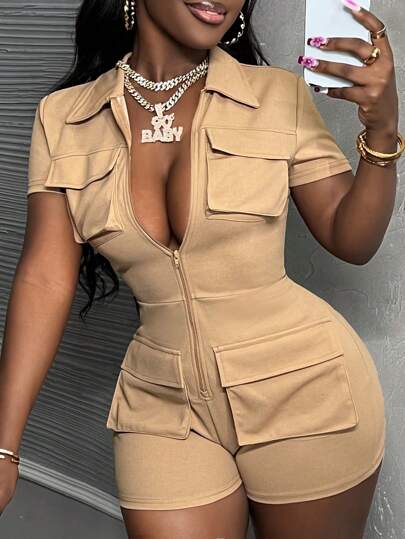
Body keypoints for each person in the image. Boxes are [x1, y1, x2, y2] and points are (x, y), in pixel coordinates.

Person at [0, 0, 403, 537]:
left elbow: (352, 239)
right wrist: (4, 445)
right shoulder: (64, 118)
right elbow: (44, 279)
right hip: (161, 403)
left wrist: (382, 133)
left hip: (305, 391)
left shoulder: (276, 94)